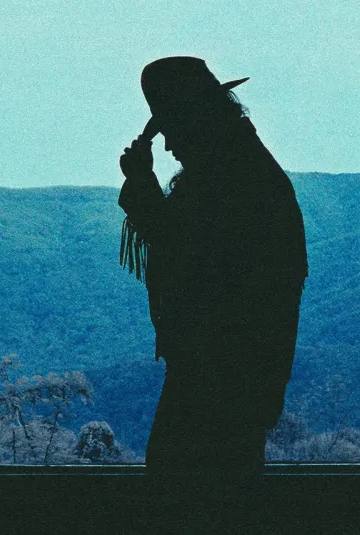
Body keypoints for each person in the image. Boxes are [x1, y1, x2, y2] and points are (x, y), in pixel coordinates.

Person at [117, 56, 308, 499]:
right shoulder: (241, 170)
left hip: (216, 380)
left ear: (196, 121)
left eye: (172, 129)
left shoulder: (228, 181)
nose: (169, 146)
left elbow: (182, 252)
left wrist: (142, 184)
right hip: (239, 379)